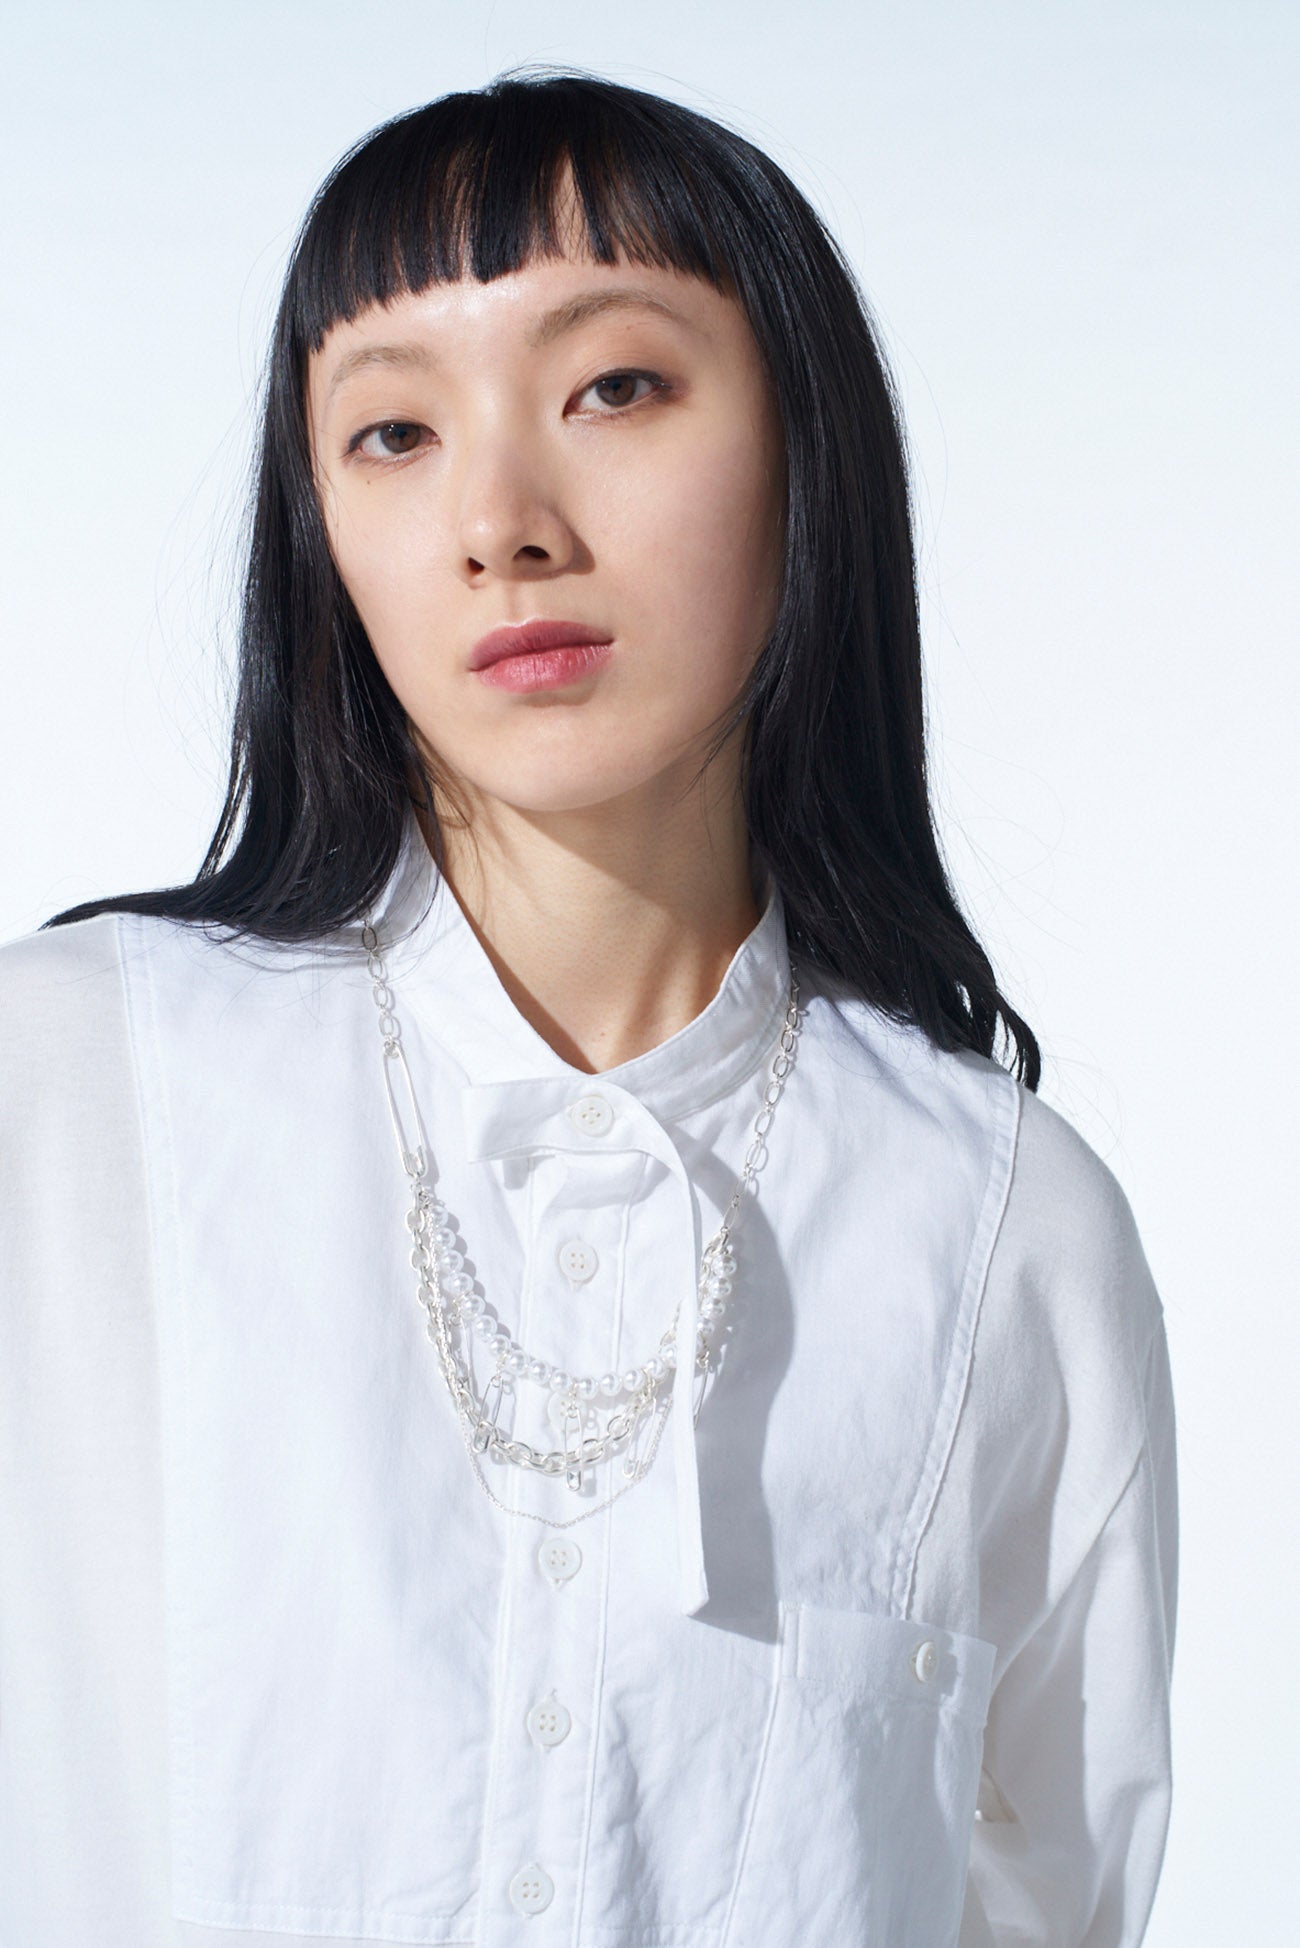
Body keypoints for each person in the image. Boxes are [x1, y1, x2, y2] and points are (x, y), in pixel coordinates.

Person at [0, 69, 1178, 1948]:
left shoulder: (1003, 1231)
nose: (500, 523)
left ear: (805, 450)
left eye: (614, 387)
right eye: (393, 430)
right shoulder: (61, 1095)